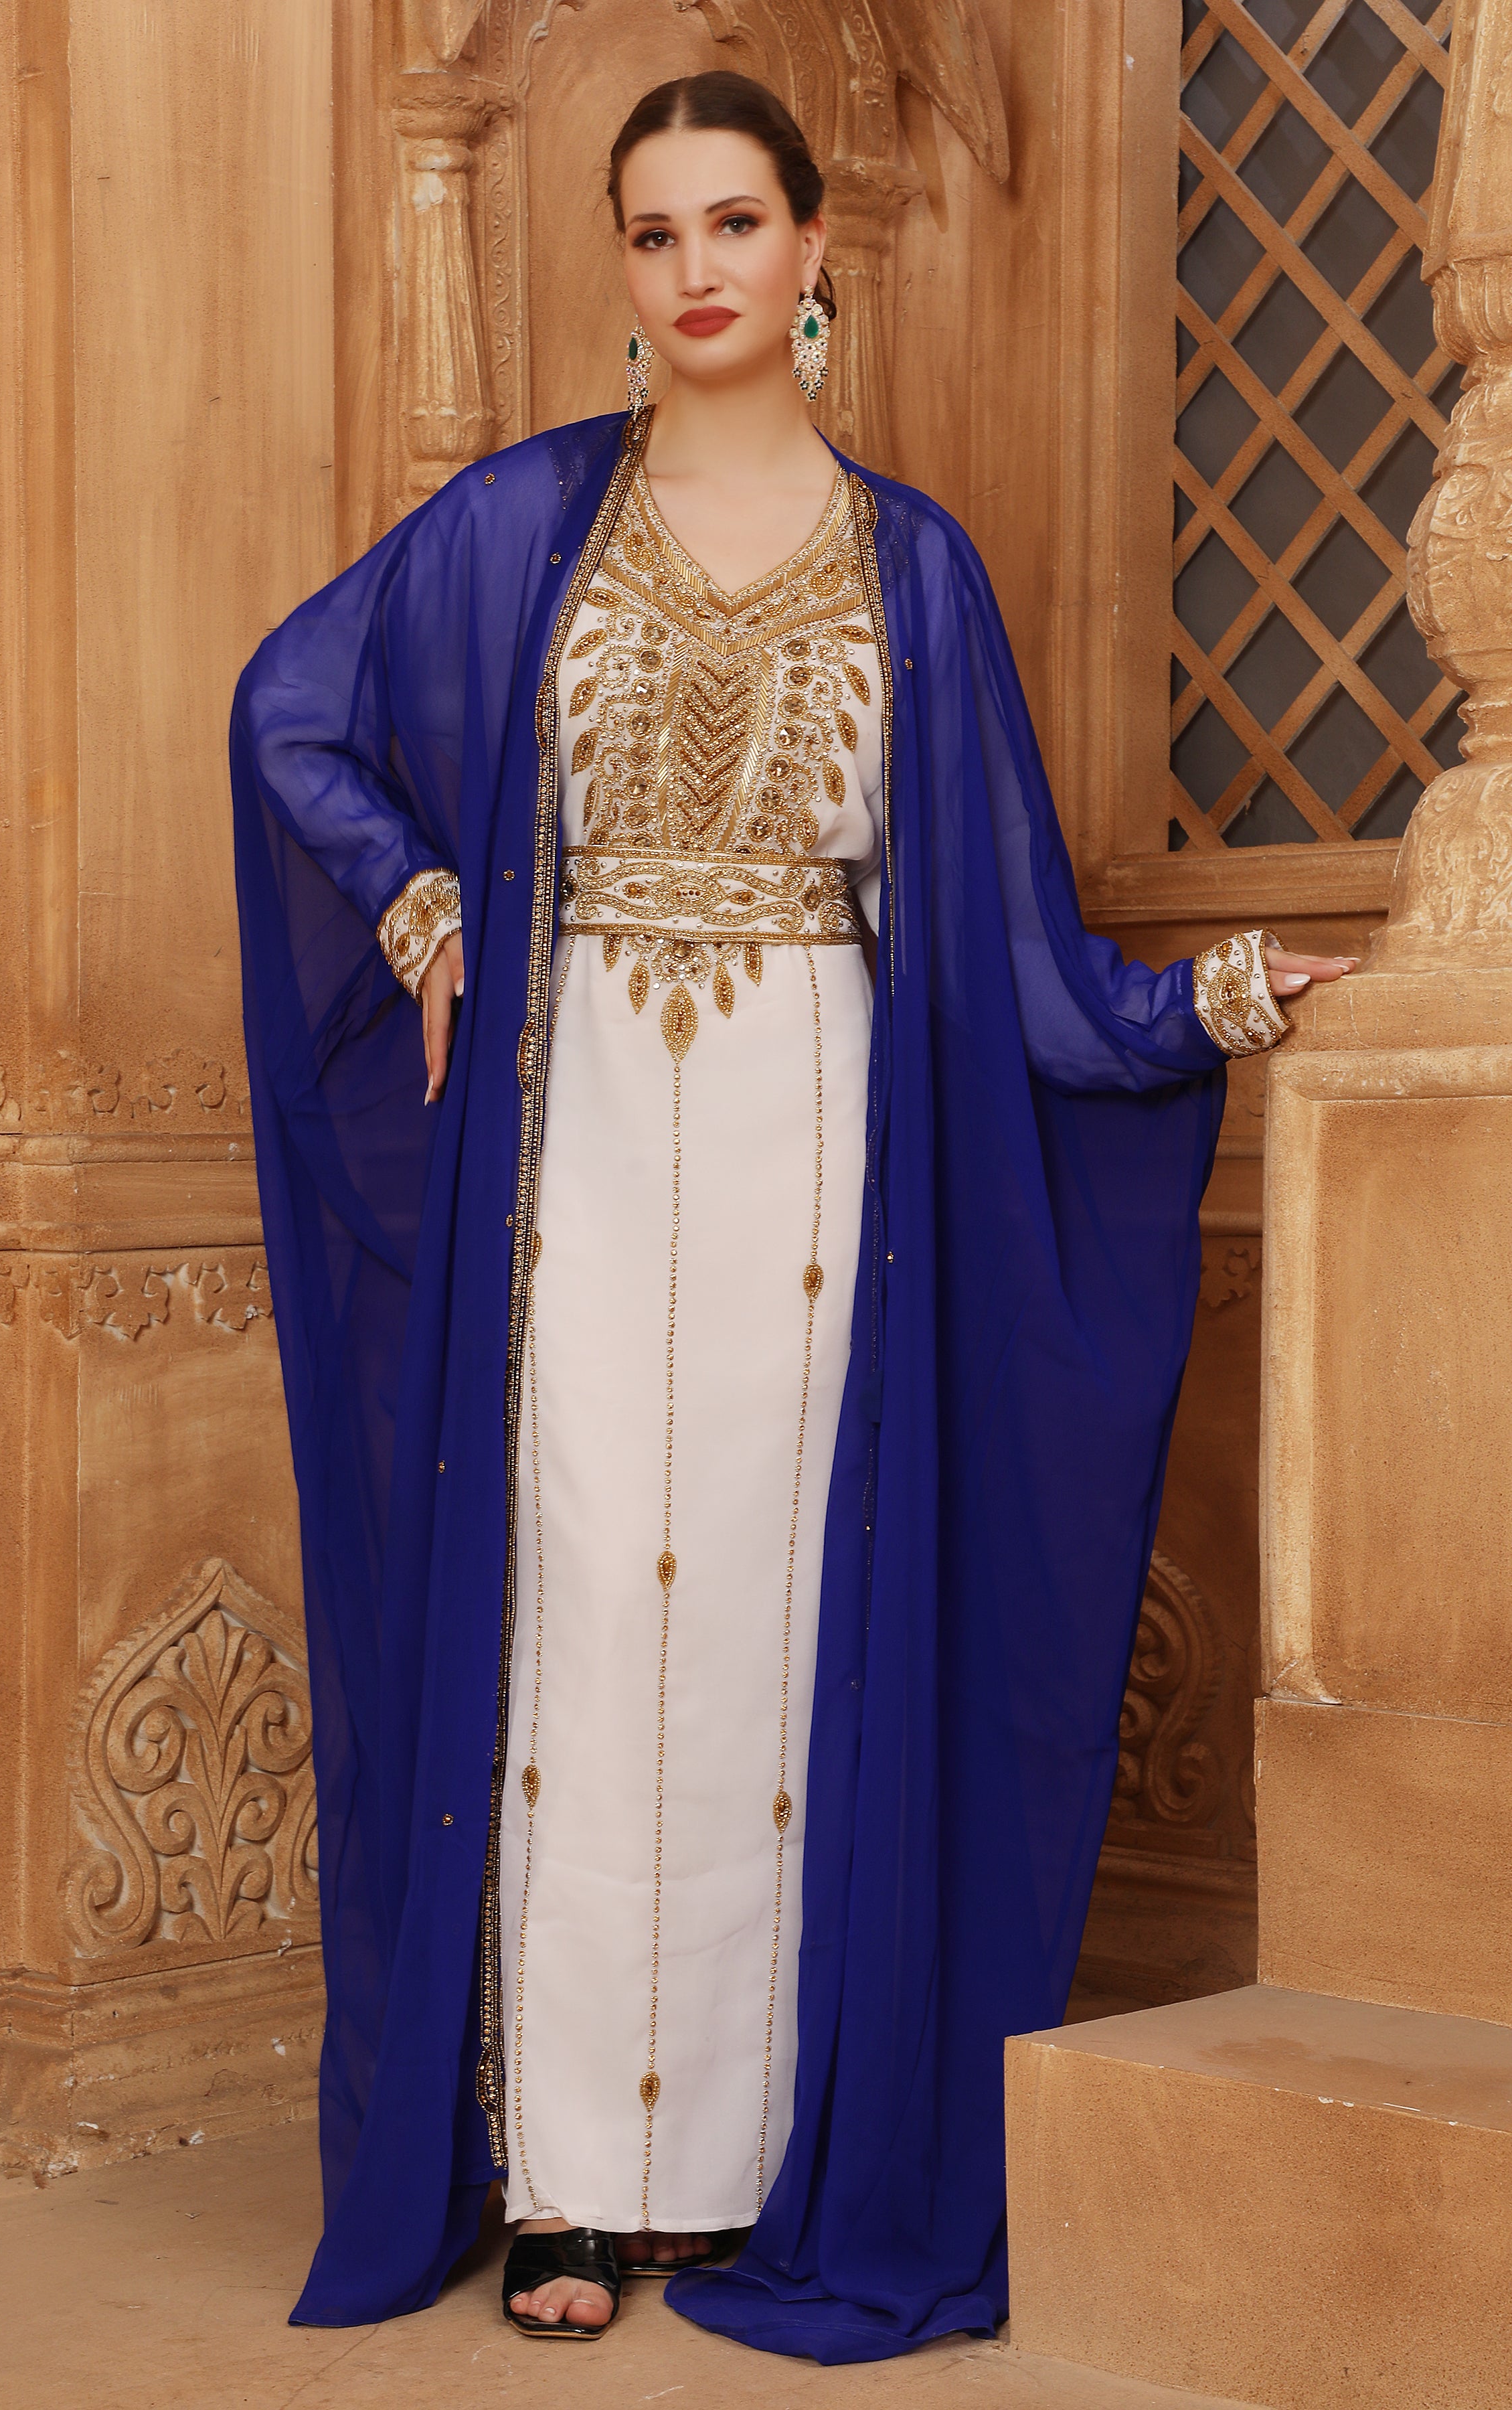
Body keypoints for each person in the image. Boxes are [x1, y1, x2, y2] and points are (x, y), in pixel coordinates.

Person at [230, 70, 1355, 2366]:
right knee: (578, 1646)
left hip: (824, 1176)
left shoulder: (915, 565)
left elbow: (1017, 949)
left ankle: (744, 2177)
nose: (696, 271)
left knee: (761, 1647)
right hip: (583, 1165)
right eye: (650, 236)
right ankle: (564, 2179)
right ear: (621, 270)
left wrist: (1221, 997)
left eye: (735, 221)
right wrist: (426, 903)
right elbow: (291, 714)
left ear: (816, 244)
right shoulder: (526, 524)